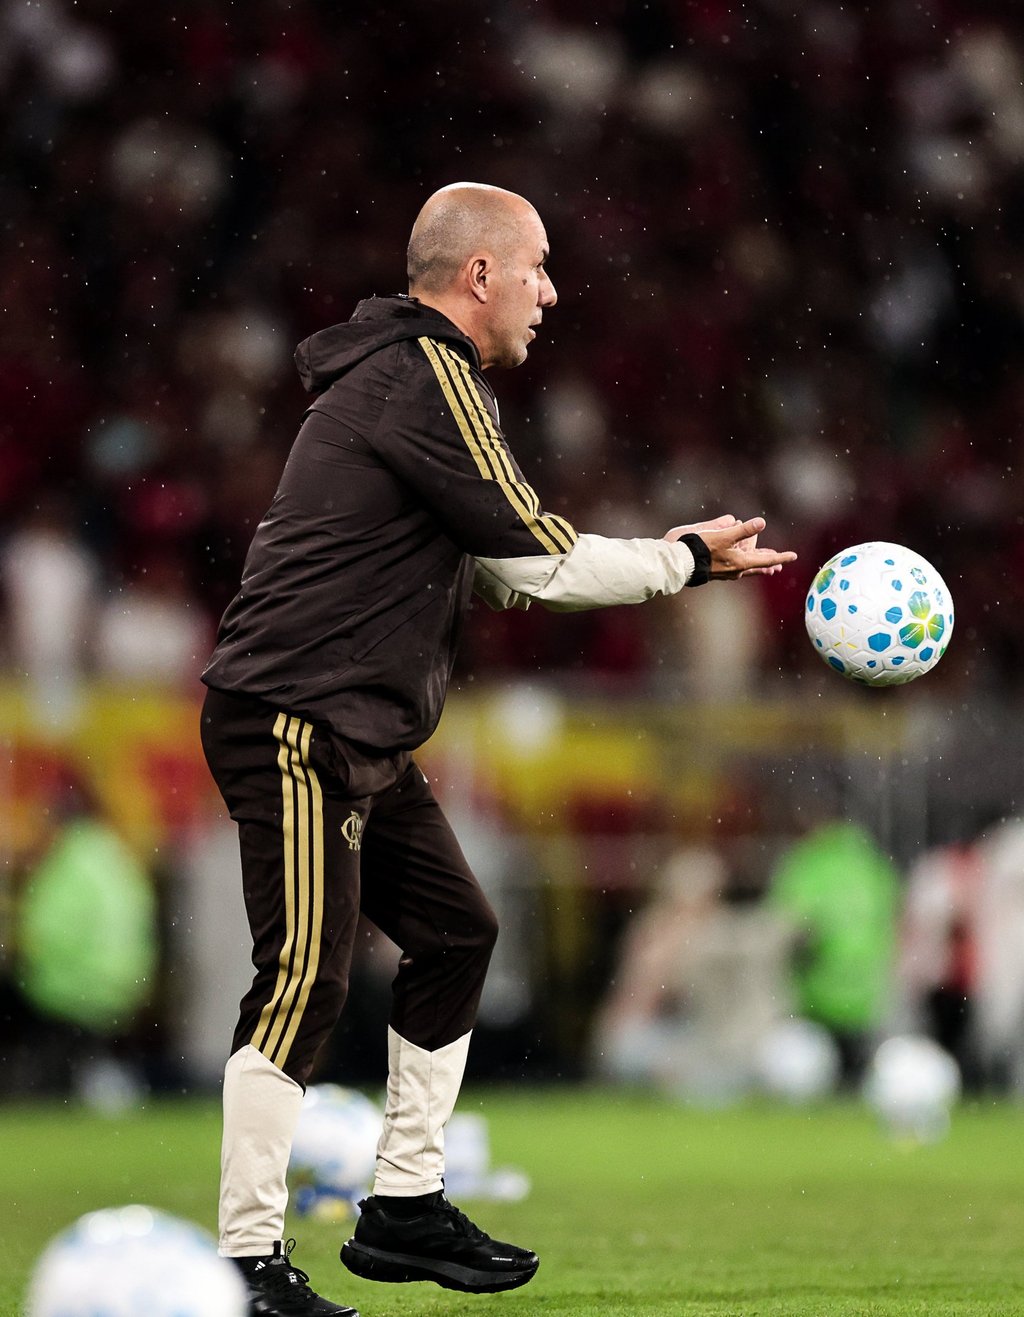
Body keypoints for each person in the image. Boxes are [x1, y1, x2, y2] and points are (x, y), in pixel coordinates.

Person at [199, 181, 797, 1317]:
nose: (550, 292)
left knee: (455, 931)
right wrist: (680, 559)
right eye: (537, 267)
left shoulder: (402, 378)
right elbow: (539, 562)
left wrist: (646, 559)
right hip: (296, 716)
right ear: (479, 275)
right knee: (303, 977)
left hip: (356, 722)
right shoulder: (429, 374)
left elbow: (492, 571)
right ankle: (243, 1264)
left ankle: (403, 1205)